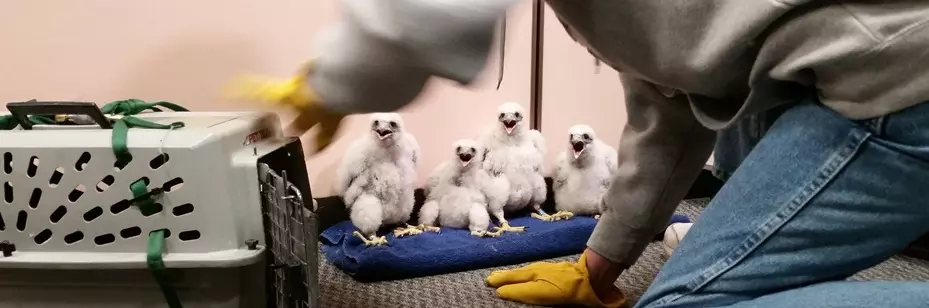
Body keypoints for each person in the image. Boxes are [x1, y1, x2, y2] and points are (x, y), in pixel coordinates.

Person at [234, 1, 929, 307]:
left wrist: (338, 80)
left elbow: (426, 12)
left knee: (684, 305)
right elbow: (673, 102)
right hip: (848, 75)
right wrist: (600, 265)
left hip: (893, 82)